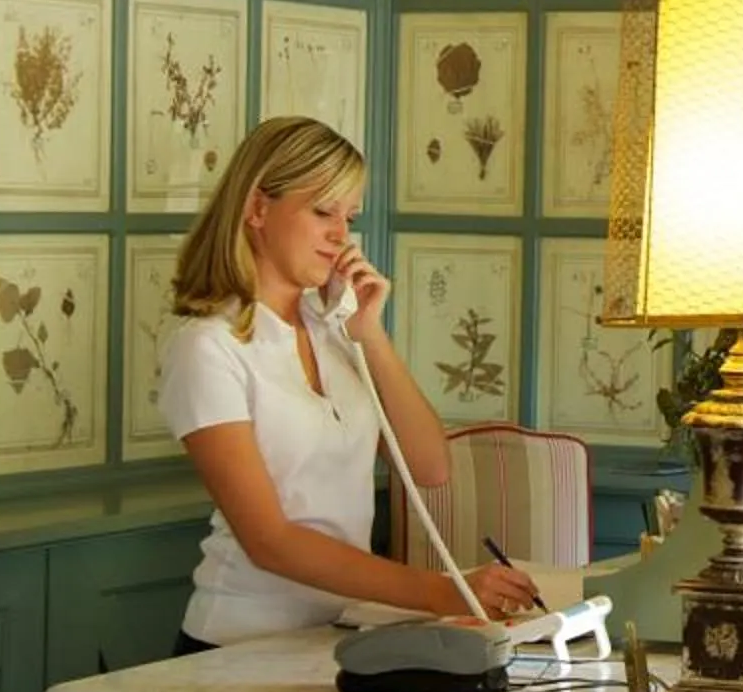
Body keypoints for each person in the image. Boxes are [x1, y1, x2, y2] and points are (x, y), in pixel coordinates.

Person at [159, 115, 538, 650]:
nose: (341, 234)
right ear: (257, 209)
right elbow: (270, 541)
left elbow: (430, 466)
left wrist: (369, 335)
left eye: (350, 216)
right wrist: (439, 592)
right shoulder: (207, 347)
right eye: (322, 211)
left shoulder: (332, 330)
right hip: (238, 641)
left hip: (334, 636)